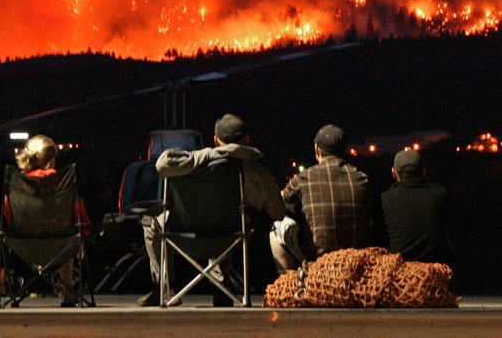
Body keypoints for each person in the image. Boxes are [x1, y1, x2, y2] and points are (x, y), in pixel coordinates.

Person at [138, 114, 285, 307]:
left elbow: (162, 164)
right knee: (232, 217)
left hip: (181, 236)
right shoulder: (256, 172)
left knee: (150, 222)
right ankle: (221, 287)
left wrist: (206, 154)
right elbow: (278, 213)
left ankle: (164, 288)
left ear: (216, 140)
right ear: (247, 138)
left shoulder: (192, 163)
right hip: (229, 238)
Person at [270, 124, 372, 272]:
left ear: (317, 150)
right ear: (343, 150)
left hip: (317, 263)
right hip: (355, 263)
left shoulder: (304, 178)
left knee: (278, 224)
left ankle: (286, 280)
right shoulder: (363, 179)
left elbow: (277, 205)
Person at [4, 134, 90, 307]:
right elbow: (78, 214)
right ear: (52, 159)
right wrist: (86, 231)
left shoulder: (18, 184)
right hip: (61, 245)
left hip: (25, 245)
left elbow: (9, 214)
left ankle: (16, 294)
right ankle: (68, 295)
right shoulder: (62, 183)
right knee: (69, 238)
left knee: (65, 238)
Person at [381, 149, 450, 263]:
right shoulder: (440, 195)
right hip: (433, 266)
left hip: (398, 267)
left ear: (394, 173)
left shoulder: (384, 199)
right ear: (424, 171)